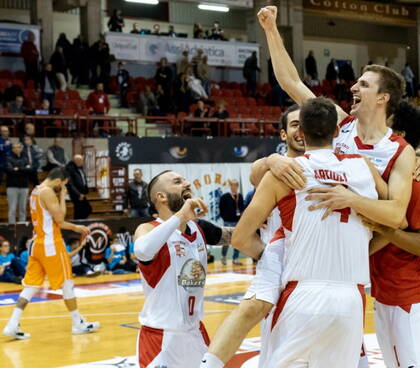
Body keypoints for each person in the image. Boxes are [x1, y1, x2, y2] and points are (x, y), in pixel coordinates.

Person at [204, 97, 385, 368]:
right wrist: (273, 159)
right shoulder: (357, 166)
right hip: (307, 265)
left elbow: (243, 236)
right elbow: (394, 212)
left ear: (303, 131)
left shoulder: (316, 168)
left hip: (311, 272)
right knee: (253, 307)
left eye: (300, 124)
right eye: (291, 124)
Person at [132, 170, 238, 367]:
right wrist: (180, 217)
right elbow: (142, 250)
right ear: (161, 196)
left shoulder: (199, 228)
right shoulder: (148, 229)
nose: (187, 183)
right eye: (177, 181)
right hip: (160, 337)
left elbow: (236, 235)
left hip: (195, 332)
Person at [362, 104, 420, 368]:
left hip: (411, 297)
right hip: (384, 293)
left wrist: (385, 229)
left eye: (386, 126)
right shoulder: (381, 175)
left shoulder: (416, 181)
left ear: (399, 134)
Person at [3, 167, 98, 340]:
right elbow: (60, 220)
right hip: (51, 244)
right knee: (67, 282)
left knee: (31, 286)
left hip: (37, 243)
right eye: (62, 184)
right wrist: (64, 199)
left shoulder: (35, 191)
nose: (62, 187)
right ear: (57, 181)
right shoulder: (48, 192)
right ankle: (77, 323)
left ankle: (12, 324)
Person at [219, 180, 244, 265]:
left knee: (237, 241)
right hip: (228, 222)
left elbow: (242, 208)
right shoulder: (225, 197)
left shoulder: (239, 196)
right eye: (232, 186)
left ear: (237, 186)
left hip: (237, 221)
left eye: (235, 186)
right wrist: (225, 217)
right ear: (230, 187)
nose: (234, 187)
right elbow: (220, 208)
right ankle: (223, 256)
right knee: (226, 240)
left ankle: (235, 258)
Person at [6, 142, 30, 224]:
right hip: (12, 186)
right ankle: (11, 228)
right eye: (14, 147)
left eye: (18, 147)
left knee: (22, 209)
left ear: (21, 148)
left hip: (24, 186)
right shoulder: (8, 158)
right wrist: (23, 169)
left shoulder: (25, 158)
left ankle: (22, 227)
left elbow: (30, 171)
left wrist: (17, 168)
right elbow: (10, 171)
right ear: (12, 149)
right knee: (12, 209)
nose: (16, 149)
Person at [66, 154, 91, 219]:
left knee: (86, 209)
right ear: (77, 161)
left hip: (82, 192)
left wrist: (86, 190)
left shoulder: (80, 168)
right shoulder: (70, 169)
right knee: (79, 210)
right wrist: (78, 194)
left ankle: (80, 222)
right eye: (82, 160)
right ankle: (78, 223)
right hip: (76, 194)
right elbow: (70, 184)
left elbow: (83, 179)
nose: (83, 162)